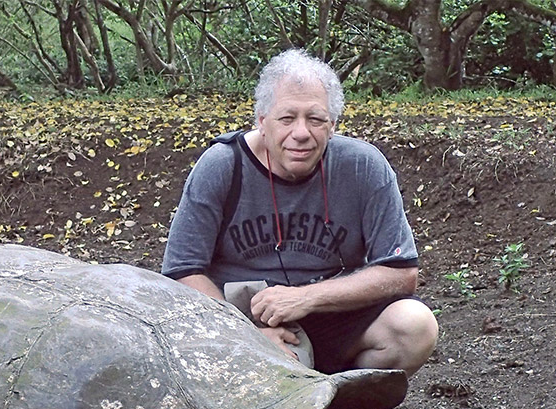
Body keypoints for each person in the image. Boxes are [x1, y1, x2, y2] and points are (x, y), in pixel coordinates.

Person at [161, 48, 438, 376]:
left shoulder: (364, 166)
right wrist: (247, 334)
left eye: (316, 119)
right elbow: (182, 271)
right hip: (240, 319)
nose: (301, 133)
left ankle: (347, 408)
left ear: (333, 125)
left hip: (333, 313)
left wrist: (306, 298)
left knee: (415, 327)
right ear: (262, 122)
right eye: (287, 118)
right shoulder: (223, 165)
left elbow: (400, 272)